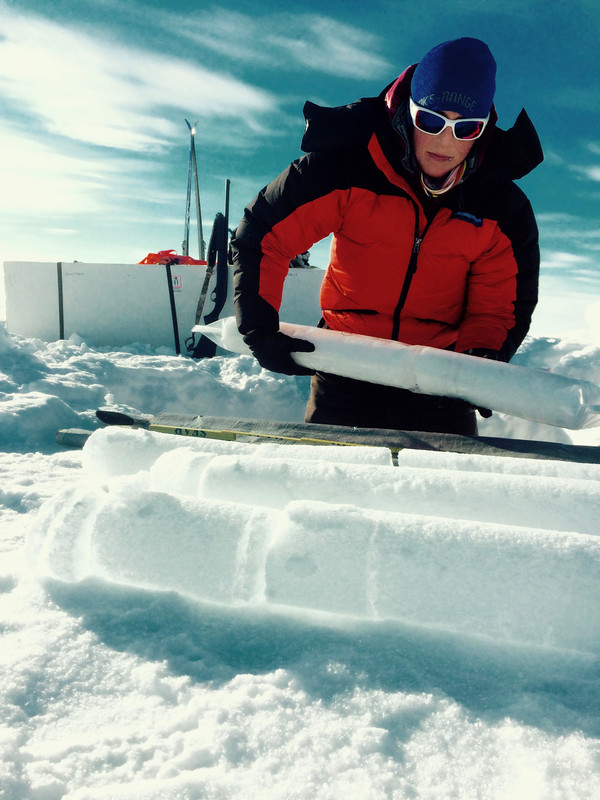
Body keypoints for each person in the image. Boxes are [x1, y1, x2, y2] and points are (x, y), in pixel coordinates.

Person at [231, 38, 543, 435]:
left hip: (441, 381)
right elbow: (265, 235)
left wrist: (481, 362)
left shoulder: (502, 208)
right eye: (431, 120)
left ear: (482, 131)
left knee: (444, 477)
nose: (446, 141)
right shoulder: (348, 167)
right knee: (330, 473)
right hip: (344, 367)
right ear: (407, 111)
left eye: (466, 128)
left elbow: (498, 307)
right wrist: (259, 327)